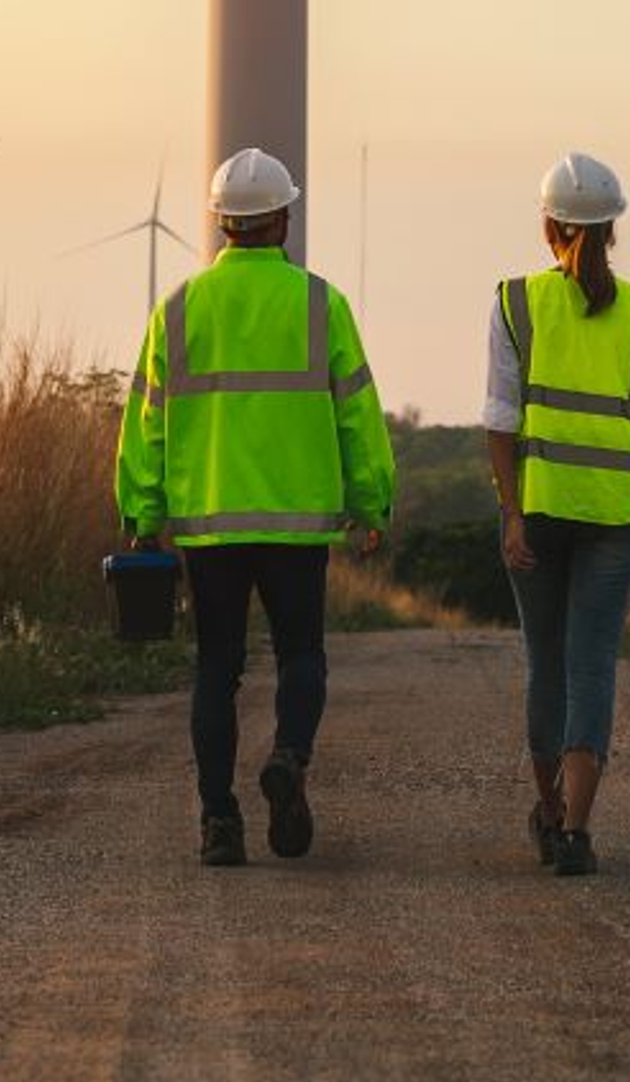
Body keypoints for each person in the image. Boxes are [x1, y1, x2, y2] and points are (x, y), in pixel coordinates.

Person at [115, 147, 395, 868]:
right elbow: (357, 415)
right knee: (303, 653)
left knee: (218, 667)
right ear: (284, 218)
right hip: (298, 522)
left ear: (220, 224)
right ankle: (290, 758)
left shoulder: (177, 308)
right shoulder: (319, 303)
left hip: (209, 523)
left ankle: (218, 822)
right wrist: (370, 502)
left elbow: (146, 423)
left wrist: (144, 516)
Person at [485, 149, 630, 877]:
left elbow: (499, 419)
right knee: (593, 664)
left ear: (548, 226)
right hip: (616, 511)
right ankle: (576, 828)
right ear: (613, 229)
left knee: (546, 663)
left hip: (539, 506)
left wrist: (510, 513)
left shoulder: (514, 303)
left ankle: (546, 807)